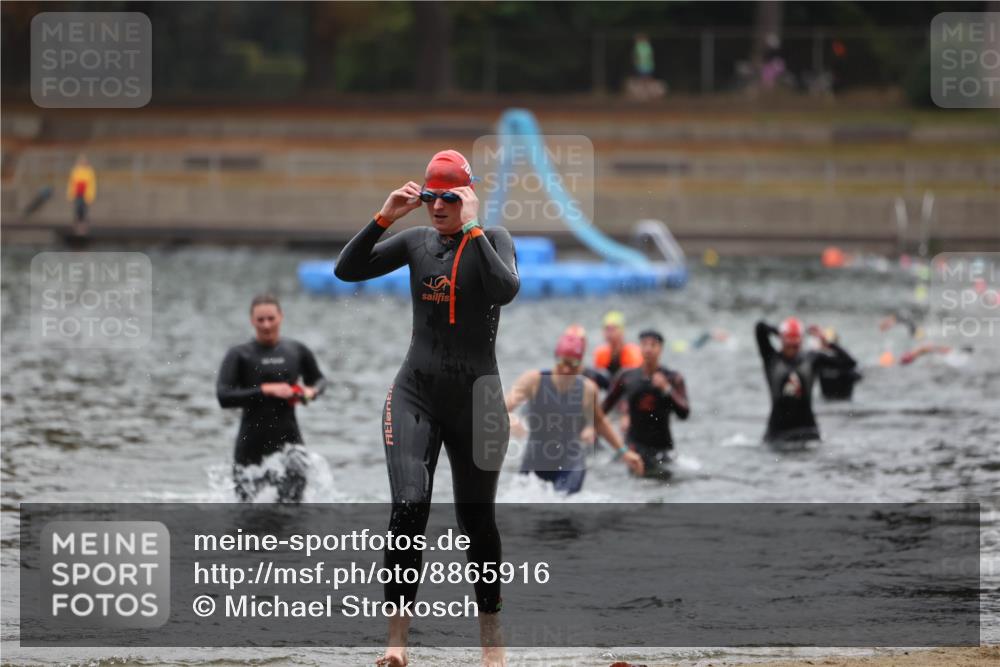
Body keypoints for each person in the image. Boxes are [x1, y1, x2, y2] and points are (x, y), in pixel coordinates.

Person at [334, 149, 519, 667]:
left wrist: (476, 225)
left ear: (466, 196)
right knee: (409, 507)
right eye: (430, 196)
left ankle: (491, 641)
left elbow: (505, 289)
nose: (437, 206)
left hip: (479, 399)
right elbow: (346, 270)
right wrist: (384, 217)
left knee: (476, 522)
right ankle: (396, 643)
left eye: (448, 197)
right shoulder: (415, 242)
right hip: (416, 392)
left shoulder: (496, 239)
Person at [217, 294, 327, 503]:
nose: (266, 325)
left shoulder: (296, 350)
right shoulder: (239, 355)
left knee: (294, 512)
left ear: (281, 317)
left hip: (290, 443)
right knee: (247, 516)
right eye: (260, 320)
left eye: (271, 318)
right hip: (251, 446)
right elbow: (224, 396)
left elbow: (320, 380)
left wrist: (310, 392)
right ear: (252, 321)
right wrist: (266, 390)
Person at [506, 327, 644, 494]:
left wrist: (624, 452)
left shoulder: (587, 388)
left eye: (573, 364)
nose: (566, 369)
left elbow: (599, 422)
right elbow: (502, 408)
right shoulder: (533, 380)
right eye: (563, 362)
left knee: (563, 508)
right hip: (535, 459)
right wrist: (511, 419)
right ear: (556, 359)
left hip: (570, 463)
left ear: (580, 365)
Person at [601, 330, 690, 480]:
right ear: (639, 348)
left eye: (653, 345)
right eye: (644, 345)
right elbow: (604, 408)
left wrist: (666, 389)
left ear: (660, 349)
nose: (648, 349)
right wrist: (590, 426)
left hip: (663, 448)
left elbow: (684, 413)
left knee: (663, 481)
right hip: (634, 446)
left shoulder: (673, 378)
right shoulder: (627, 376)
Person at [755, 318, 855, 445]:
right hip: (777, 433)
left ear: (801, 342)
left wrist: (826, 341)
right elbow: (759, 328)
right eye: (789, 344)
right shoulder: (771, 359)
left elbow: (849, 363)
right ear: (782, 341)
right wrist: (780, 331)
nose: (792, 349)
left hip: (808, 432)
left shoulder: (812, 359)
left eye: (795, 345)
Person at [593, 311, 642, 379]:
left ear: (622, 331)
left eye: (613, 329)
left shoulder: (633, 353)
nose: (609, 333)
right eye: (607, 329)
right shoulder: (600, 353)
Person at [816, 328, 863, 400]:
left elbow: (853, 363)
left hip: (844, 403)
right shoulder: (821, 362)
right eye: (823, 343)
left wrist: (830, 344)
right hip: (826, 402)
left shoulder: (846, 364)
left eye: (825, 343)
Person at [66, 154, 96, 236]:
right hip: (77, 193)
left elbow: (92, 184)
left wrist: (90, 195)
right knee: (77, 209)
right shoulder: (75, 170)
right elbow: (72, 183)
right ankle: (76, 228)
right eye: (81, 161)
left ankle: (83, 228)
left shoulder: (89, 171)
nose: (83, 162)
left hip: (85, 193)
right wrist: (70, 194)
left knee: (84, 210)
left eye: (84, 161)